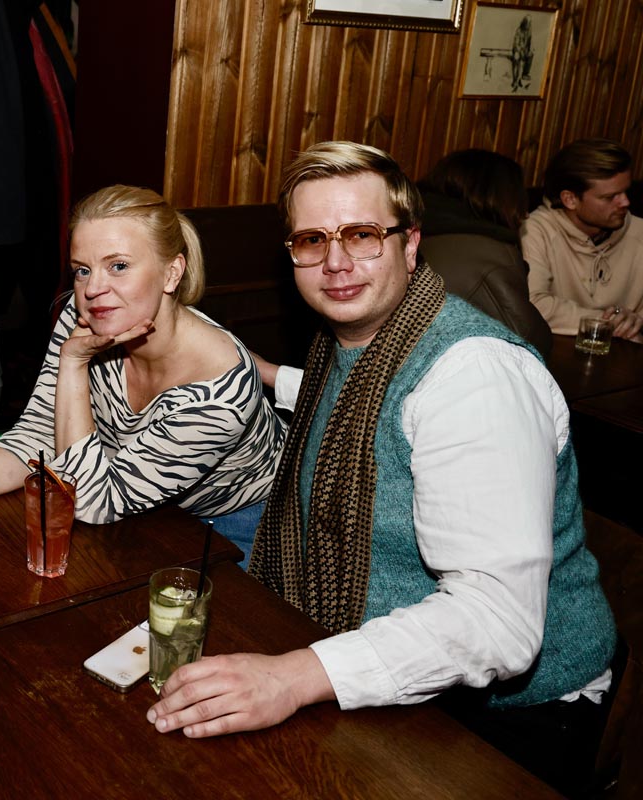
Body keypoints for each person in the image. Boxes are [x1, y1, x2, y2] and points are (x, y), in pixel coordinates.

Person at [149, 142, 618, 797]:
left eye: (362, 235)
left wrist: (291, 676)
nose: (336, 262)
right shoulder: (351, 347)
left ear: (410, 243)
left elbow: (497, 624)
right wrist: (262, 372)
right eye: (312, 240)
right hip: (391, 677)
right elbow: (349, 400)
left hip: (513, 721)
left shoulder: (475, 379)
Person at [0, 184, 286, 562]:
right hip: (143, 506)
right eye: (82, 269)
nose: (92, 289)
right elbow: (39, 432)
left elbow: (88, 502)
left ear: (172, 273)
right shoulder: (90, 314)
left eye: (118, 265)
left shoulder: (220, 391)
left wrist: (73, 364)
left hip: (238, 522)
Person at [417, 148, 552, 356]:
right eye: (518, 199)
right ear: (499, 198)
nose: (525, 214)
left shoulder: (411, 226)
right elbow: (531, 339)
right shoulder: (492, 253)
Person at [522, 137, 643, 342]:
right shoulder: (535, 230)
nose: (625, 202)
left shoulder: (639, 232)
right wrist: (608, 322)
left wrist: (634, 322)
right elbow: (533, 305)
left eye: (625, 191)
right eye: (609, 197)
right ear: (570, 199)